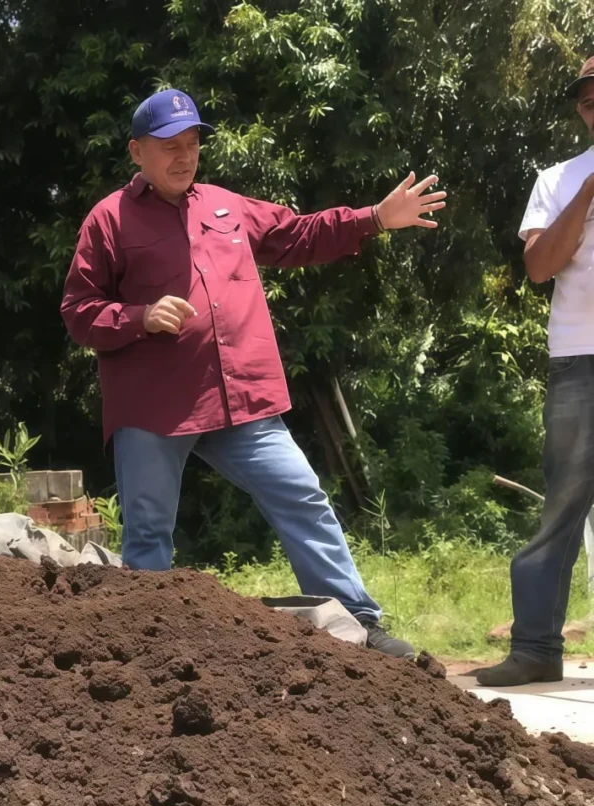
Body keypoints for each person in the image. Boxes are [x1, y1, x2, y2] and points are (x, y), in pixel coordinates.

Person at [60, 88, 446, 658]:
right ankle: (147, 654)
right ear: (136, 151)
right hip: (154, 408)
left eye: (192, 144)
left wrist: (373, 218)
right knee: (146, 531)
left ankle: (359, 625)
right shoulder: (109, 220)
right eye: (169, 145)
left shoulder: (224, 206)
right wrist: (140, 317)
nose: (183, 156)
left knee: (302, 496)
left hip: (241, 400)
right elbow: (79, 311)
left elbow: (298, 235)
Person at [477, 59, 594, 687]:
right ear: (582, 110)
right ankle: (535, 648)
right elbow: (540, 266)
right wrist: (589, 190)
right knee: (562, 507)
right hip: (580, 358)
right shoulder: (558, 179)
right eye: (589, 101)